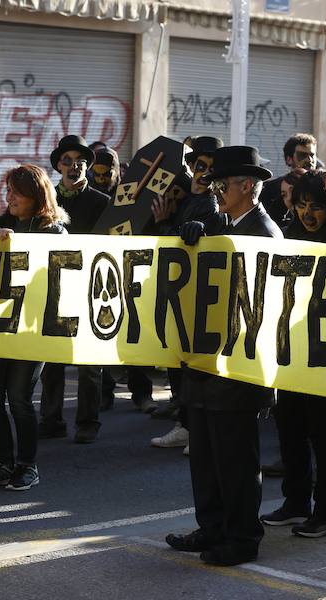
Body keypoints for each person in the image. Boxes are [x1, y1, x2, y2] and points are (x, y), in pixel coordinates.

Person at [166, 145, 281, 566]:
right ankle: (212, 527)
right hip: (205, 361)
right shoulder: (222, 222)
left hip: (239, 368)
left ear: (247, 185)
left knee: (235, 458)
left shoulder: (265, 232)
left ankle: (242, 537)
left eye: (222, 184)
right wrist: (195, 236)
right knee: (207, 456)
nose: (215, 191)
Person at [261, 170, 326, 538]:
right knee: (289, 425)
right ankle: (296, 502)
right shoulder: (291, 232)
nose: (307, 213)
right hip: (294, 346)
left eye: (315, 207)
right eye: (301, 205)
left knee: (324, 431)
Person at [0, 164, 69, 490]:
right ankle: (2, 464)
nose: (10, 198)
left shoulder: (55, 230)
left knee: (19, 398)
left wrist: (21, 244)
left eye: (17, 192)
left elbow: (56, 272)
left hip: (32, 329)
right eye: (8, 191)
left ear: (36, 195)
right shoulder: (0, 225)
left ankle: (27, 466)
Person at [148, 136, 223, 449]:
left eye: (209, 166)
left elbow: (186, 247)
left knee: (195, 366)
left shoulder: (212, 207)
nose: (201, 171)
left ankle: (197, 428)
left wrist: (166, 224)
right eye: (197, 164)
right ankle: (185, 422)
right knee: (177, 361)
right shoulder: (180, 198)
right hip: (175, 290)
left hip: (196, 294)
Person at [38, 135, 110, 443]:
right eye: (67, 161)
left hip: (90, 288)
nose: (73, 166)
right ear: (58, 166)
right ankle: (51, 419)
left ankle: (87, 422)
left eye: (80, 162)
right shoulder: (46, 200)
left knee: (89, 363)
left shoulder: (103, 202)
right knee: (51, 360)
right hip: (54, 288)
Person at [260, 133, 317, 223]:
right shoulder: (271, 189)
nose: (309, 160)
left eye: (312, 155)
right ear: (289, 159)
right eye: (302, 155)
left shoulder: (323, 186)